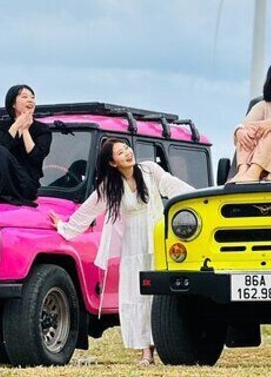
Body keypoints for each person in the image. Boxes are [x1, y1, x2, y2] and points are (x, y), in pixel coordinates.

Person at [49, 138, 195, 366]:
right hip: (133, 246)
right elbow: (87, 211)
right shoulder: (110, 186)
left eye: (126, 148)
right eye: (120, 152)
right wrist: (63, 227)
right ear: (112, 162)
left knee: (160, 297)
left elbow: (173, 185)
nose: (127, 153)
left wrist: (200, 198)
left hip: (156, 242)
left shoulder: (149, 170)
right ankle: (145, 352)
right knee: (136, 297)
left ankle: (166, 344)